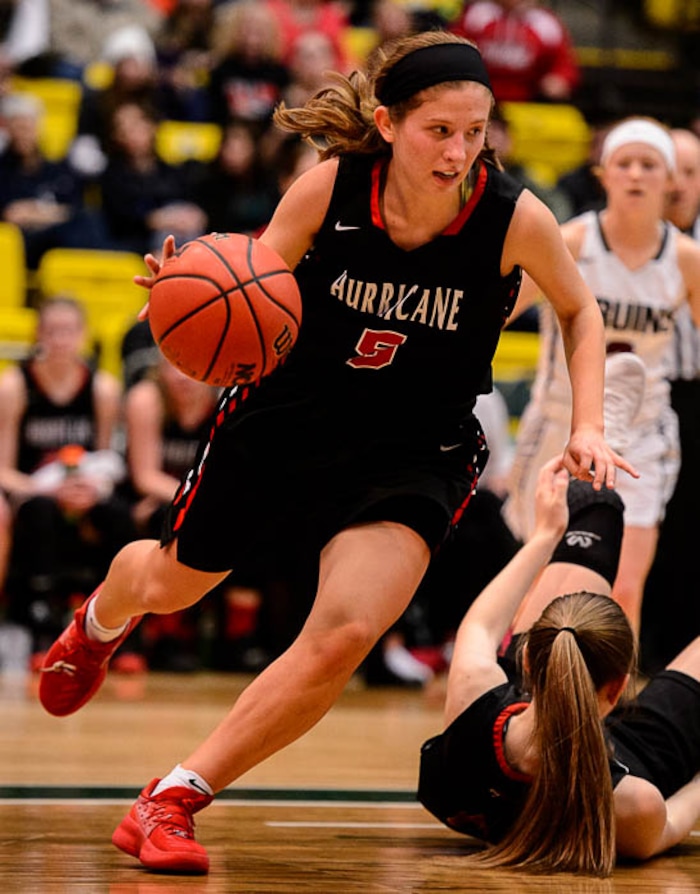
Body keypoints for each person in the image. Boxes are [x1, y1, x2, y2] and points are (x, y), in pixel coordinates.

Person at [38, 31, 635, 875]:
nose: (461, 150)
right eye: (440, 131)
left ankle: (172, 798)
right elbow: (249, 283)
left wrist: (589, 424)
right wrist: (187, 294)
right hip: (290, 415)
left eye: (477, 131)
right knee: (175, 580)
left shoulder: (512, 217)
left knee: (346, 630)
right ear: (388, 124)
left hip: (415, 445)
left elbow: (579, 311)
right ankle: (98, 621)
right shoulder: (329, 188)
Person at [418, 457, 700, 876]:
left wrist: (546, 535)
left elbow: (479, 625)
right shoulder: (631, 802)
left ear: (528, 658)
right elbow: (672, 820)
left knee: (597, 508)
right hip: (629, 763)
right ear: (619, 687)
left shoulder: (472, 701)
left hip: (529, 767)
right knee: (597, 500)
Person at [503, 116, 700, 635]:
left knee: (623, 587)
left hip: (640, 435)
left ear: (670, 181)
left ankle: (612, 708)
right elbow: (494, 312)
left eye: (649, 165)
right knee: (540, 579)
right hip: (559, 424)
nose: (636, 174)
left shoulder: (685, 260)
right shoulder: (568, 241)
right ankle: (519, 698)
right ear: (603, 174)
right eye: (624, 163)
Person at [0, 296, 137, 665]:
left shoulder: (102, 390)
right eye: (52, 330)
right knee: (41, 511)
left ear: (83, 336)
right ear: (38, 334)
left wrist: (92, 490)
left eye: (69, 330)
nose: (61, 339)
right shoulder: (14, 386)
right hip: (32, 491)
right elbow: (4, 469)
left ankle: (118, 630)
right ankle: (41, 628)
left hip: (84, 491)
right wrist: (47, 488)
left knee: (118, 514)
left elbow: (108, 462)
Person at [642, 127, 700, 669]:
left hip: (697, 400)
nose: (679, 184)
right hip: (649, 400)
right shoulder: (633, 240)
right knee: (649, 532)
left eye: (690, 172)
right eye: (672, 171)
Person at [449, 0, 580, 104]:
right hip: (477, 96)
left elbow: (565, 63)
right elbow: (453, 49)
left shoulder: (545, 23)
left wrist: (560, 78)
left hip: (527, 101)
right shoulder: (476, 15)